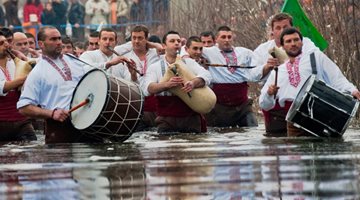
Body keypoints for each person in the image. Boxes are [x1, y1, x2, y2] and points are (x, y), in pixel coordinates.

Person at [259, 28, 360, 137]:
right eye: (288, 41)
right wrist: (269, 93)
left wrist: (352, 90)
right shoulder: (278, 71)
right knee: (298, 150)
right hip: (294, 120)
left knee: (327, 149)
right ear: (282, 46)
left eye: (296, 40)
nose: (293, 44)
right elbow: (265, 104)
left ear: (302, 42)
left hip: (320, 113)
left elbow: (336, 77)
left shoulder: (315, 57)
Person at [17, 26, 101, 143]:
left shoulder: (73, 60)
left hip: (87, 122)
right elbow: (23, 107)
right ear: (41, 44)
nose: (59, 43)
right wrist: (52, 113)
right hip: (60, 128)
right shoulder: (37, 72)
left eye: (59, 38)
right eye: (53, 39)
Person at [141, 31, 212, 133]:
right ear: (164, 46)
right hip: (166, 120)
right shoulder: (155, 67)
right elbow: (148, 88)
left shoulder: (189, 62)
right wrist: (167, 85)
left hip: (191, 119)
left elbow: (207, 76)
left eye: (178, 41)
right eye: (172, 41)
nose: (176, 43)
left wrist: (193, 83)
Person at [202, 25, 272, 128]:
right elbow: (188, 50)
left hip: (242, 106)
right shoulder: (208, 51)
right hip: (219, 107)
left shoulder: (244, 53)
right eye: (223, 37)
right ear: (216, 39)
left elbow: (255, 72)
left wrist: (267, 67)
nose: (227, 40)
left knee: (252, 128)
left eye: (229, 37)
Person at [0, 30, 37, 142]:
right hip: (1, 122)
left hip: (22, 121)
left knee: (32, 149)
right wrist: (28, 77)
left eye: (6, 41)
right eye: (1, 43)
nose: (6, 44)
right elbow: (3, 87)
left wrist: (23, 58)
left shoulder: (15, 63)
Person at [122, 25, 160, 130]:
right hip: (137, 107)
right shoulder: (126, 57)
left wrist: (154, 45)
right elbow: (128, 85)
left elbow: (165, 51)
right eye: (134, 38)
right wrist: (133, 75)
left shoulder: (155, 54)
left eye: (140, 38)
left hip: (156, 107)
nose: (136, 41)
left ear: (146, 39)